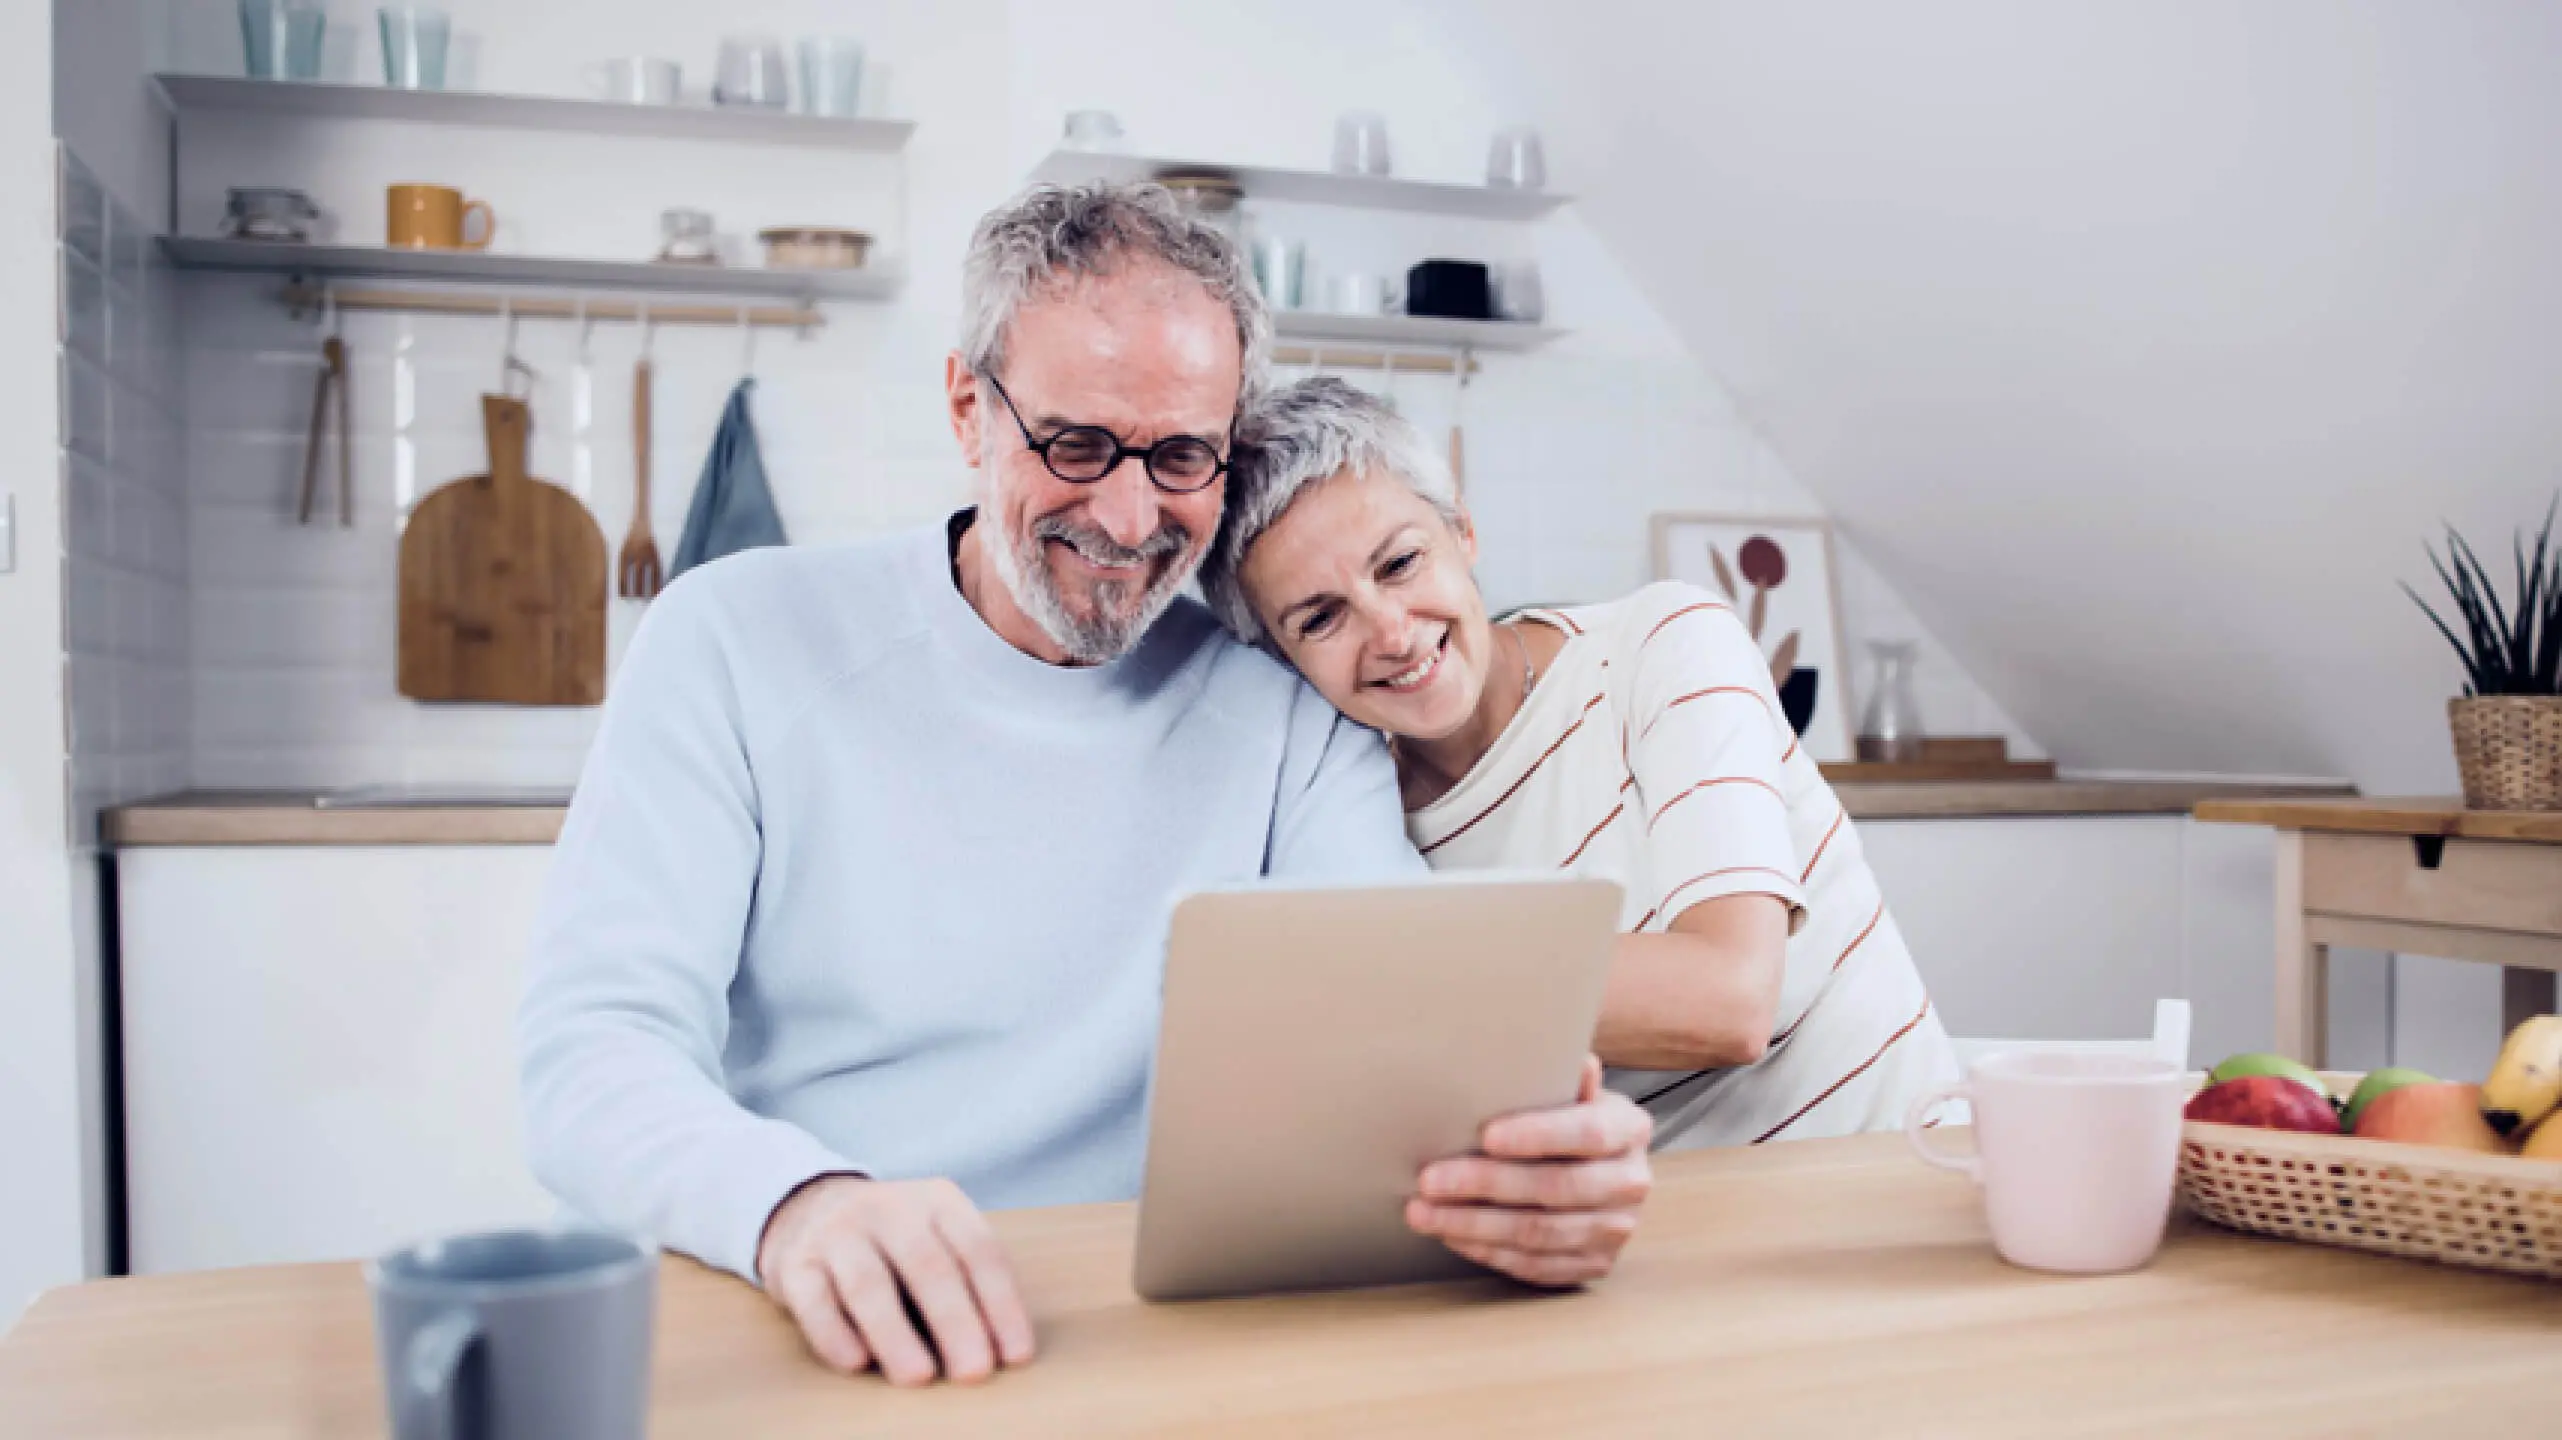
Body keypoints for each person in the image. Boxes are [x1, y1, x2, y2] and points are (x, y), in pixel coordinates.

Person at [518, 185, 1654, 1391]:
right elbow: (593, 1053)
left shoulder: (1283, 709)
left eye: (1179, 456)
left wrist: (1532, 1172)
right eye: (1075, 444)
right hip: (822, 1314)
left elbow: (1403, 1044)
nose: (1126, 515)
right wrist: (797, 1207)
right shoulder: (733, 637)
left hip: (1157, 1340)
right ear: (968, 407)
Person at [1199, 378, 1957, 1149]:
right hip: (1651, 1238)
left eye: (1399, 564)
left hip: (1897, 1186)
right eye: (1322, 617)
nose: (1391, 632)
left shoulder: (1664, 648)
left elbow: (1729, 1003)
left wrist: (1376, 982)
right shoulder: (1355, 828)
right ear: (1285, 662)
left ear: (1463, 530)